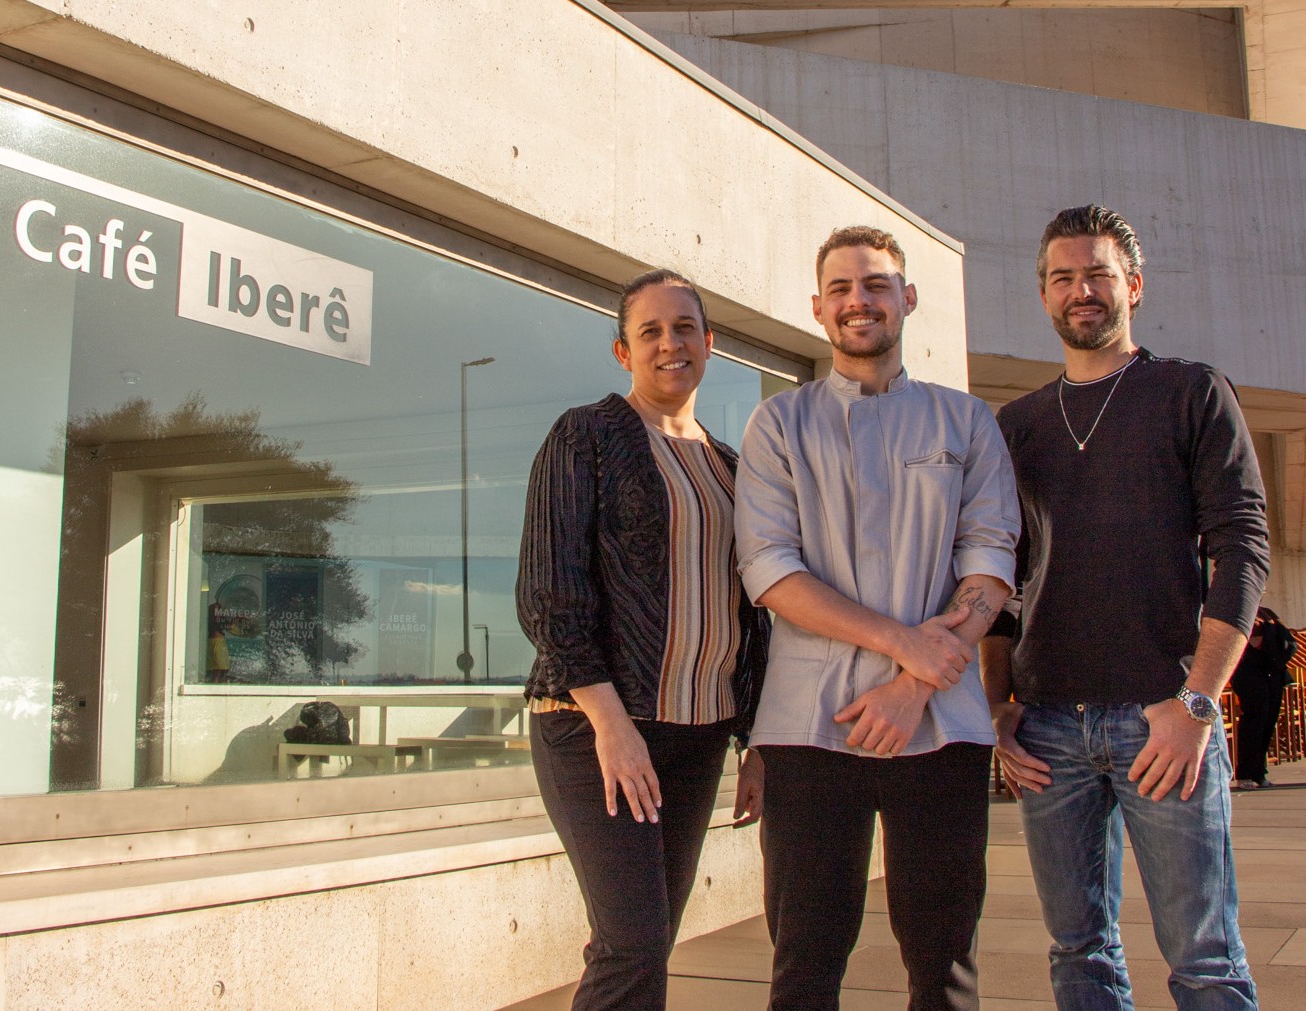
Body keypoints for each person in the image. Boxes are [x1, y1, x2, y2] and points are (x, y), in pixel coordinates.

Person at [982, 205, 1271, 1010]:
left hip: (1162, 718)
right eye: (1063, 277)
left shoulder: (1188, 391)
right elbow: (1003, 580)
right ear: (1043, 294)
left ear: (1132, 286)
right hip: (1046, 731)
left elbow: (1241, 548)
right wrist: (996, 705)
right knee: (1077, 952)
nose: (1081, 290)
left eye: (1098, 274)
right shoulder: (1019, 425)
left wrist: (1196, 701)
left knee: (1204, 959)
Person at [735, 226, 1019, 1010]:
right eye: (841, 288)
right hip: (807, 725)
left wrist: (912, 686)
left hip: (944, 724)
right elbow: (769, 569)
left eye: (876, 284)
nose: (858, 300)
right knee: (805, 957)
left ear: (908, 297)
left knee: (943, 958)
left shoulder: (966, 422)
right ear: (818, 308)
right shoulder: (779, 425)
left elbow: (991, 562)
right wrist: (904, 648)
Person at [516, 268, 769, 1011]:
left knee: (646, 940)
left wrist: (753, 739)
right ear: (623, 352)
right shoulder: (585, 435)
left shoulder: (729, 465)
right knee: (631, 944)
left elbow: (753, 614)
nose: (669, 343)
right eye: (650, 331)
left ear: (709, 343)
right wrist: (610, 722)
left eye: (683, 328)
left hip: (697, 735)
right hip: (597, 728)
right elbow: (548, 594)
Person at [1232, 606, 1297, 790]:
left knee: (1269, 719)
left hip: (1272, 670)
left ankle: (1259, 772)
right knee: (1255, 719)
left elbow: (1287, 641)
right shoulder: (1237, 609)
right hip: (1248, 671)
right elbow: (1250, 640)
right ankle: (1245, 774)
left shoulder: (1267, 612)